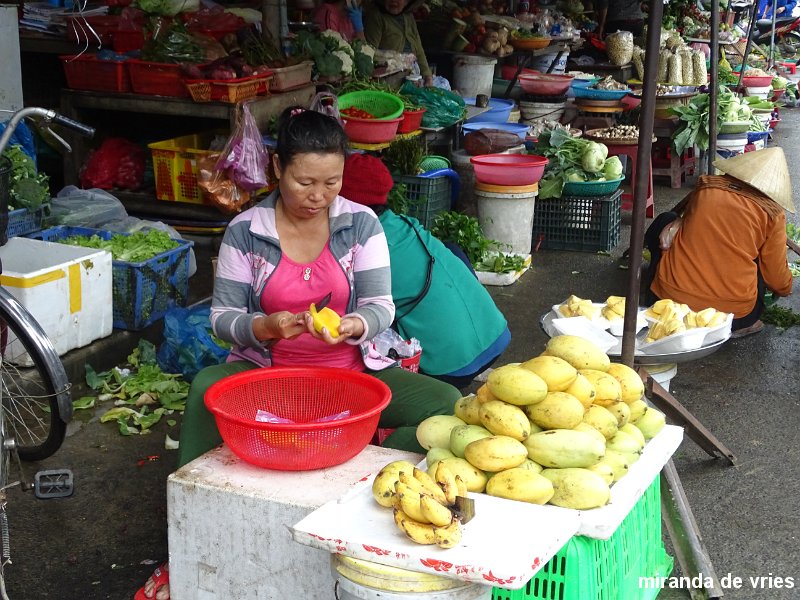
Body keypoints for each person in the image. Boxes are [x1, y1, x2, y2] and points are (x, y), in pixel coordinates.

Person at [135, 108, 461, 600]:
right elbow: (223, 318)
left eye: (332, 182)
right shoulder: (247, 230)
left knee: (444, 405)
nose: (318, 195)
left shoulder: (361, 223)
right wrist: (263, 327)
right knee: (206, 388)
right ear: (277, 169)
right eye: (305, 181)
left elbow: (381, 306)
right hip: (269, 377)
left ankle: (372, 489)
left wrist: (355, 324)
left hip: (353, 373)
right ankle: (196, 521)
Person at [339, 153, 511, 389]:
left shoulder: (359, 246)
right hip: (497, 338)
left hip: (448, 369)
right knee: (451, 250)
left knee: (358, 311)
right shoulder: (405, 224)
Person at [643, 147, 794, 339]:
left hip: (666, 302)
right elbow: (777, 280)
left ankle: (654, 286)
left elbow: (690, 226)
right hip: (732, 316)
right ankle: (745, 326)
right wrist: (786, 287)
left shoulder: (706, 187)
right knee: (761, 266)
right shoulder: (773, 214)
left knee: (666, 219)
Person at [364, 0, 433, 86]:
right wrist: (392, 60)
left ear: (407, 2)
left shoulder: (408, 16)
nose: (393, 1)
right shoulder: (376, 16)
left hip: (412, 74)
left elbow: (418, 47)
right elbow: (370, 52)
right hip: (389, 78)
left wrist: (427, 75)